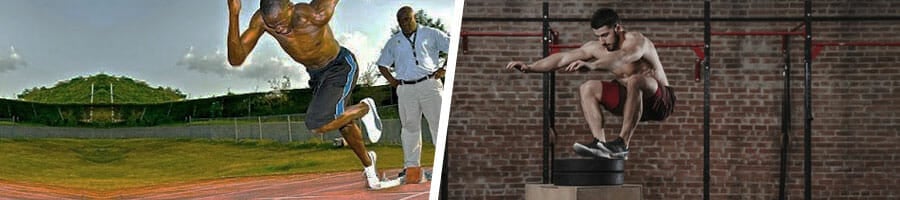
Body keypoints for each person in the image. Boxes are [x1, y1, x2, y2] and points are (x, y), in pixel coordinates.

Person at [227, 0, 386, 189]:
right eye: (273, 26)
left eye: (282, 22)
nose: (279, 29)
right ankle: (370, 168)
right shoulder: (261, 20)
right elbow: (236, 58)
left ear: (290, 8)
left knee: (318, 123)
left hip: (339, 66)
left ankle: (365, 107)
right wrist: (234, 13)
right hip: (316, 75)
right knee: (344, 124)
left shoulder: (315, 13)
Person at [505, 8, 676, 160]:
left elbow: (622, 57)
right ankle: (600, 145)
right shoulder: (597, 48)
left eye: (605, 35)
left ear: (618, 28)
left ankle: (622, 145)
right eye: (598, 36)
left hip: (660, 102)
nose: (602, 41)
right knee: (587, 87)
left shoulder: (637, 41)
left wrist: (593, 65)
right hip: (631, 103)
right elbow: (562, 59)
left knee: (635, 80)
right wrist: (530, 67)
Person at [376, 6, 448, 183]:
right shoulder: (394, 41)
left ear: (415, 17)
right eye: (400, 20)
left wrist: (445, 68)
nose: (404, 23)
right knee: (409, 128)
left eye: (407, 19)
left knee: (439, 125)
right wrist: (393, 82)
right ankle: (411, 167)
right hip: (406, 88)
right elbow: (382, 64)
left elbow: (453, 45)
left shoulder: (431, 33)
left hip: (430, 84)